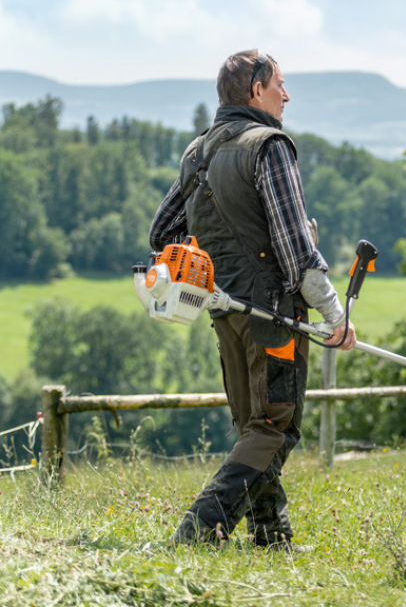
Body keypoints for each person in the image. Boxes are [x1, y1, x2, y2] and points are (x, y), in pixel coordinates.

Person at [149, 49, 357, 551]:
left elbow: (162, 234)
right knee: (273, 428)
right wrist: (336, 314)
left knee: (254, 426)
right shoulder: (270, 146)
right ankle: (198, 531)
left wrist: (210, 263)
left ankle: (270, 537)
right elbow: (295, 251)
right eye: (279, 84)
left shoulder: (198, 151)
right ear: (254, 91)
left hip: (223, 311)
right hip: (273, 315)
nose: (286, 95)